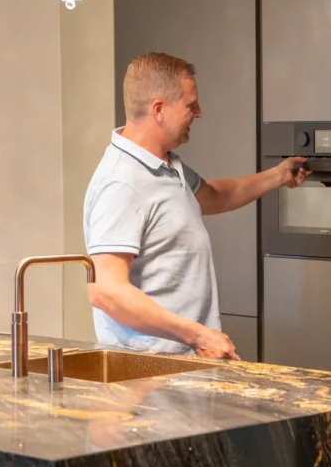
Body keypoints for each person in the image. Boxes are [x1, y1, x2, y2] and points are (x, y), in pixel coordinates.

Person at [83, 52, 310, 360]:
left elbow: (215, 195)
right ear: (159, 110)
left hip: (182, 363)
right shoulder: (122, 183)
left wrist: (279, 175)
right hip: (146, 368)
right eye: (191, 105)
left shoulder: (165, 165)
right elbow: (107, 292)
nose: (199, 113)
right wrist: (198, 335)